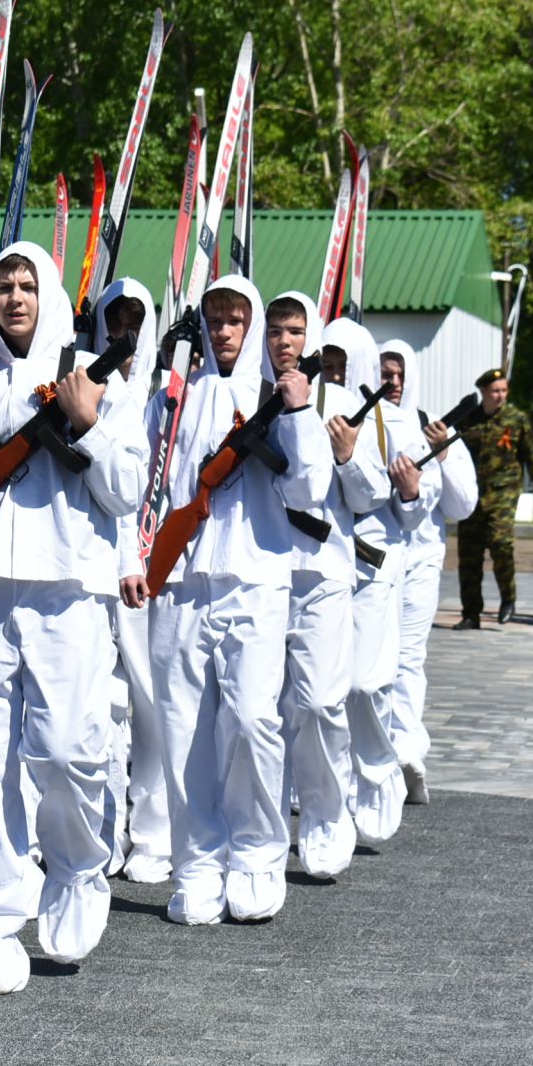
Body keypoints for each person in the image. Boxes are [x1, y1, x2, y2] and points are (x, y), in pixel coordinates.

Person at [0, 241, 144, 994]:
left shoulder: (95, 377)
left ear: (49, 297)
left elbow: (130, 489)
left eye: (27, 285)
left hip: (69, 586)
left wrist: (87, 421)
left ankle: (76, 861)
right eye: (3, 285)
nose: (14, 297)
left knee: (71, 748)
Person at [148, 273, 327, 927]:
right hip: (180, 582)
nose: (224, 330)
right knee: (181, 732)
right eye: (215, 318)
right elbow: (145, 477)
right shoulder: (173, 395)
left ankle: (256, 852)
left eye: (236, 320)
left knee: (252, 722)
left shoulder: (274, 397)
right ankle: (196, 861)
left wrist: (301, 411)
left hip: (255, 578)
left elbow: (308, 490)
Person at [271, 294, 385, 879]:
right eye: (276, 330)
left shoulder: (341, 402)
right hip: (258, 573)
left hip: (324, 576)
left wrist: (347, 459)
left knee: (318, 703)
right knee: (262, 713)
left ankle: (325, 813)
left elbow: (371, 498)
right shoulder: (247, 396)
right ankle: (262, 833)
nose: (284, 341)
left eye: (295, 331)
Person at [342, 333, 435, 843]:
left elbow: (429, 503)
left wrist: (410, 489)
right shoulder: (301, 408)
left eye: (397, 374)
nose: (390, 383)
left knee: (372, 681)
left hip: (383, 565)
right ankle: (332, 795)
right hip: (315, 569)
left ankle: (388, 767)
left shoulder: (401, 424)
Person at [98, 278, 169, 883]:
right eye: (114, 315)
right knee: (98, 706)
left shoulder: (170, 387)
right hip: (98, 568)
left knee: (150, 704)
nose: (123, 327)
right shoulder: (85, 378)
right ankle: (101, 829)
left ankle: (152, 831)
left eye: (133, 317)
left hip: (154, 569)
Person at [392, 342, 478, 805]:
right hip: (366, 561)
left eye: (400, 374)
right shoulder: (356, 423)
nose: (394, 383)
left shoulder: (435, 430)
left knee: (407, 659)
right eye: (385, 373)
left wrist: (443, 455)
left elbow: (462, 506)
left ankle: (406, 751)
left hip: (420, 561)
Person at [455, 367, 533, 627]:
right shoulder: (468, 418)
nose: (500, 395)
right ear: (483, 392)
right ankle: (470, 613)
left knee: (501, 544)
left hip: (503, 494)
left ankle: (508, 598)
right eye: (495, 391)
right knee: (469, 554)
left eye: (504, 390)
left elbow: (532, 457)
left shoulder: (517, 419)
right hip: (471, 495)